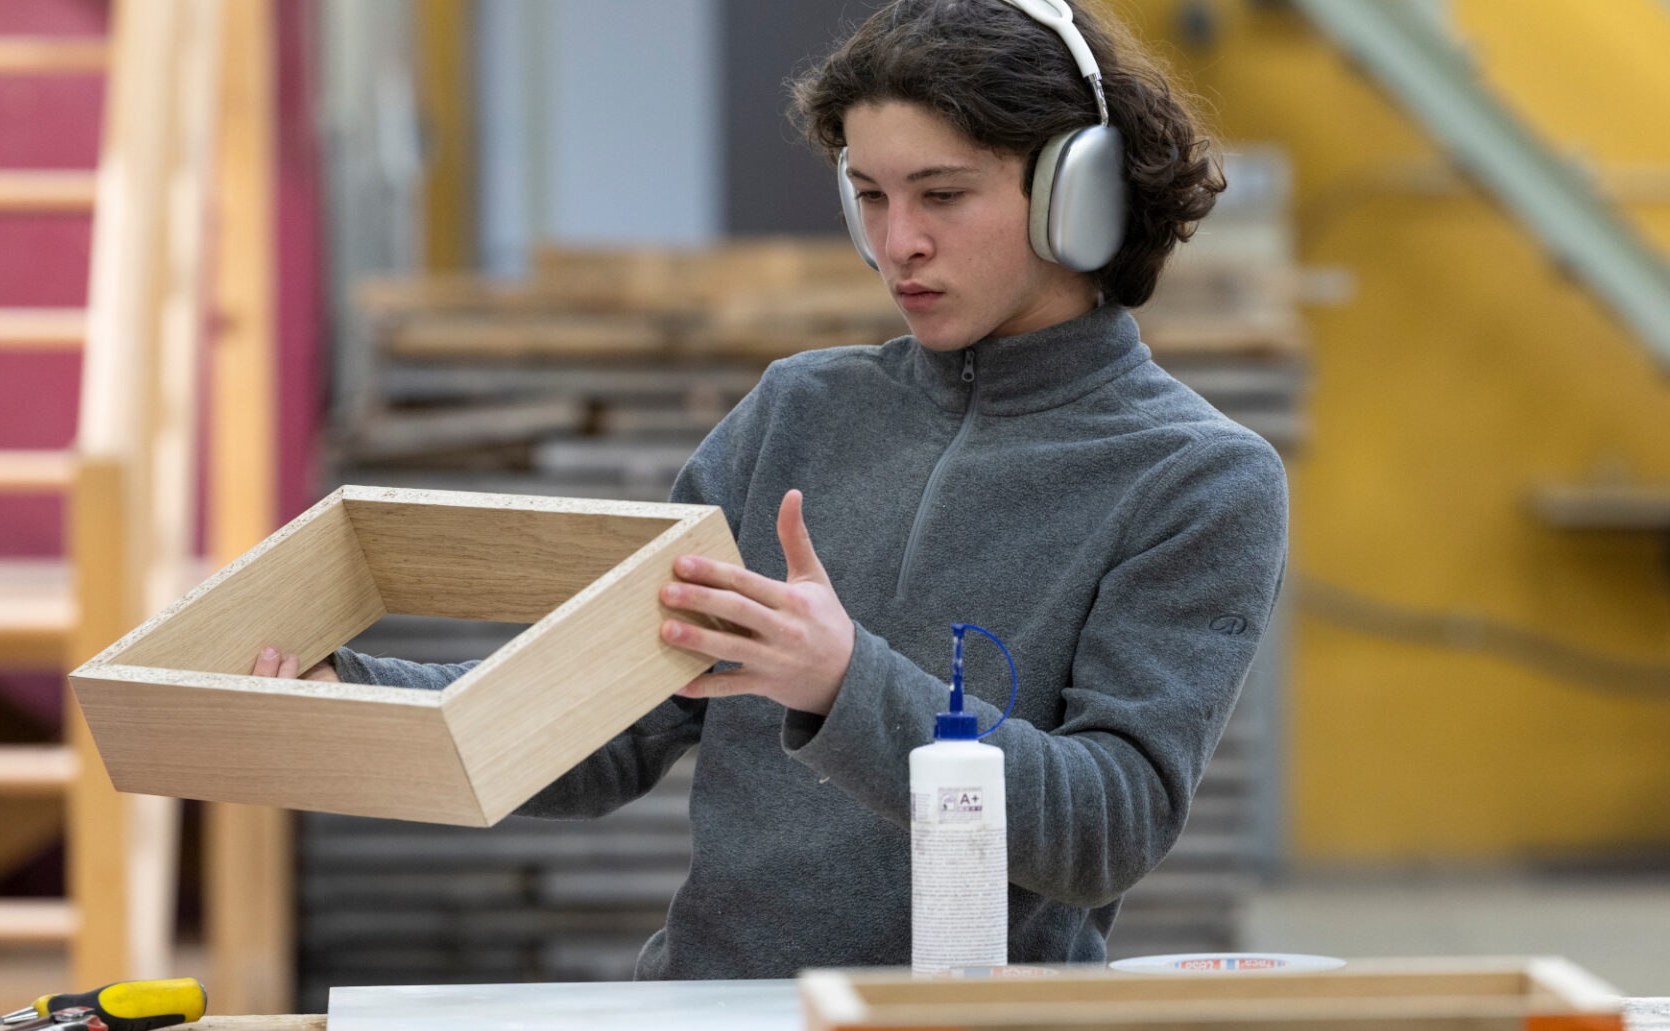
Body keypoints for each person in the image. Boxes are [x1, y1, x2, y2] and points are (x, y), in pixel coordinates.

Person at [257, 0, 1287, 980]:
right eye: (871, 196)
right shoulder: (797, 411)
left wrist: (845, 682)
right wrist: (353, 700)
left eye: (942, 194)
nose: (898, 244)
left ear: (1082, 195)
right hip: (712, 1010)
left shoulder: (1196, 476)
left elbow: (1108, 825)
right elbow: (602, 725)